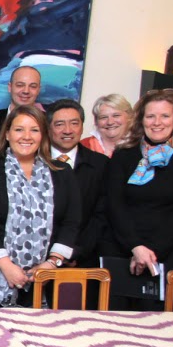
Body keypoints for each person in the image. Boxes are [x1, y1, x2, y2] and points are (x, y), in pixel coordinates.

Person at [100, 89, 173, 310]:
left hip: (165, 252)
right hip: (120, 249)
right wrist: (136, 247)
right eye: (150, 116)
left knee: (155, 322)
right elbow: (114, 204)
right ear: (141, 120)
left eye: (165, 116)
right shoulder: (123, 154)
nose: (157, 122)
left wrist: (150, 252)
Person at [0, 106, 81, 307]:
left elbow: (71, 222)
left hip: (47, 280)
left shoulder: (62, 172)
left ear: (43, 135)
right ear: (7, 134)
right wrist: (6, 266)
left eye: (34, 130)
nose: (26, 136)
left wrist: (52, 263)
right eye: (19, 129)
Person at [44, 99, 109, 264]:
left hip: (83, 259)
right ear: (48, 128)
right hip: (38, 256)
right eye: (59, 124)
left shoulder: (100, 164)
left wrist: (76, 252)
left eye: (74, 123)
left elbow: (101, 216)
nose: (68, 130)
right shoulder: (35, 161)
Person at [0, 66, 43, 131]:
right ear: (10, 87)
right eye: (20, 85)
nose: (26, 91)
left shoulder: (47, 122)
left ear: (39, 90)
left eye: (33, 86)